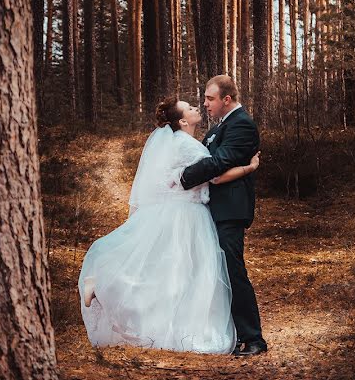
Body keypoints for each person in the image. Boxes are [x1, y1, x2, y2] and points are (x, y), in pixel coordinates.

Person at [78, 97, 259, 354]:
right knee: (181, 272)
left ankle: (111, 288)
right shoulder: (186, 145)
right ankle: (105, 284)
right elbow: (214, 174)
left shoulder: (179, 142)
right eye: (191, 108)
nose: (198, 107)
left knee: (168, 272)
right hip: (187, 214)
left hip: (183, 210)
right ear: (183, 120)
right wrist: (249, 167)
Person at [180, 75, 268, 357]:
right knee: (216, 271)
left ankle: (253, 338)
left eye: (210, 98)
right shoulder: (220, 127)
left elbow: (218, 163)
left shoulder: (241, 125)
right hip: (214, 209)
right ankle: (230, 333)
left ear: (226, 99)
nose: (205, 104)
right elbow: (206, 158)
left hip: (230, 210)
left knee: (233, 270)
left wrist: (184, 178)